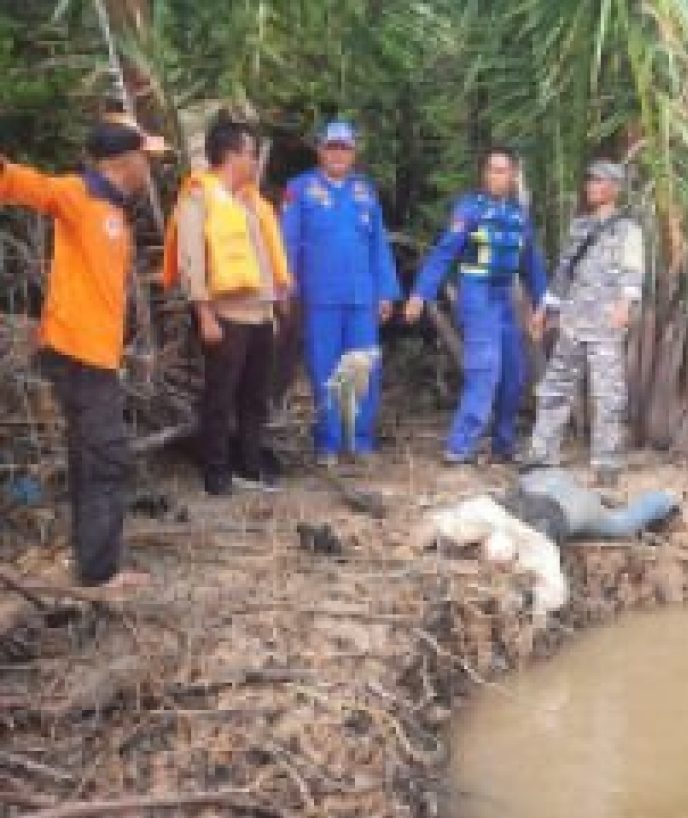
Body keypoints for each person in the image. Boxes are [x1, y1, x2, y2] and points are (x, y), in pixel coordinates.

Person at [0, 115, 168, 589]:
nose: (149, 169)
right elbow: (18, 183)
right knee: (104, 458)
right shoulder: (79, 194)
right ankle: (100, 573)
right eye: (145, 159)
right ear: (124, 160)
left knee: (92, 457)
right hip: (80, 355)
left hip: (95, 354)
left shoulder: (113, 208)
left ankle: (94, 562)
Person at [165, 116, 291, 495]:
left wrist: (278, 301)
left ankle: (249, 465)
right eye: (252, 154)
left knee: (255, 395)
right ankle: (215, 471)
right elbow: (192, 261)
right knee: (220, 396)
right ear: (232, 155)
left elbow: (264, 257)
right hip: (224, 315)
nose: (256, 162)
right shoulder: (198, 199)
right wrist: (204, 313)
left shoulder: (252, 202)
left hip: (259, 313)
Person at [405, 146, 548, 464]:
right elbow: (445, 252)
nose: (496, 176)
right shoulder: (470, 209)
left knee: (513, 373)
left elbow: (532, 264)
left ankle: (503, 445)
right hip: (477, 294)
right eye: (491, 170)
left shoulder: (518, 215)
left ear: (513, 176)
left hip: (505, 298)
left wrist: (542, 303)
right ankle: (459, 447)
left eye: (503, 170)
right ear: (484, 174)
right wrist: (420, 293)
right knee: (485, 370)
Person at [281, 120, 400, 462]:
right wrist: (286, 288)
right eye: (331, 147)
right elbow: (286, 243)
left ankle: (360, 441)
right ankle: (328, 443)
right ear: (320, 150)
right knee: (325, 370)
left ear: (354, 152)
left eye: (344, 147)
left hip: (362, 297)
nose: (337, 154)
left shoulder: (365, 191)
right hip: (321, 299)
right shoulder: (299, 189)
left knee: (363, 369)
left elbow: (379, 245)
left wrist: (386, 292)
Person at [525, 160, 644, 486]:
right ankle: (541, 454)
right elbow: (564, 273)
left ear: (614, 188)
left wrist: (625, 304)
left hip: (606, 324)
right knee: (554, 389)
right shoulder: (579, 227)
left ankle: (607, 466)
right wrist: (544, 310)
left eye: (599, 180)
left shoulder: (628, 230)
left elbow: (634, 272)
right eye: (589, 179)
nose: (591, 185)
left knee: (608, 397)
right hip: (574, 321)